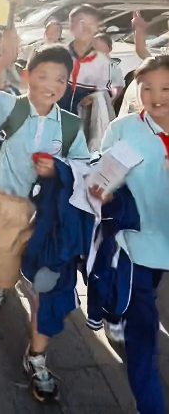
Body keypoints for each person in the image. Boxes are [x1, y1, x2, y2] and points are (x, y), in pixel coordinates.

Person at [0, 20, 90, 401]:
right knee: (6, 273)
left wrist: (59, 169)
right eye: (42, 76)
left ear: (68, 84)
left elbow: (84, 167)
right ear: (27, 76)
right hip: (5, 206)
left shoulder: (71, 126)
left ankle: (36, 357)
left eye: (59, 79)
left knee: (46, 286)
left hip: (49, 218)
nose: (50, 85)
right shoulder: (9, 106)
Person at [92, 55, 169, 414]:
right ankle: (149, 405)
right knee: (142, 328)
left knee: (149, 296)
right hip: (134, 245)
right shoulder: (124, 129)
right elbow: (101, 177)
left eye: (167, 88)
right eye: (147, 88)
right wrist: (101, 191)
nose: (157, 97)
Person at [57, 4, 110, 115]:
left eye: (91, 23)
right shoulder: (57, 56)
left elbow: (106, 92)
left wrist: (93, 97)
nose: (86, 28)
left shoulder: (103, 62)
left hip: (84, 120)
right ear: (71, 26)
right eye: (82, 22)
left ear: (97, 27)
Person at [93, 33, 125, 101]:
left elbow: (117, 88)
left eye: (100, 49)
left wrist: (113, 99)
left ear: (110, 48)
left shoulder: (114, 68)